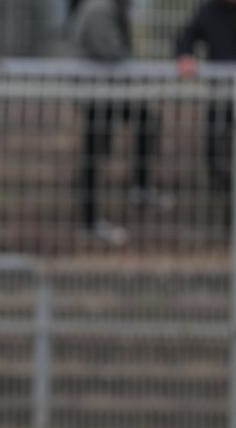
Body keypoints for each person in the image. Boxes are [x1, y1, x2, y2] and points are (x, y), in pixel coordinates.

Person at [70, 0, 160, 245]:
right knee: (93, 156)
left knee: (145, 121)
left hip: (109, 92)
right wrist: (136, 67)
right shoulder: (100, 9)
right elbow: (110, 51)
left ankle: (140, 187)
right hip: (98, 94)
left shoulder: (112, 8)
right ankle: (89, 220)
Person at [175, 0, 236, 215]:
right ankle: (223, 191)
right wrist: (185, 56)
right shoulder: (208, 11)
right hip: (220, 92)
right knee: (213, 147)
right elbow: (186, 36)